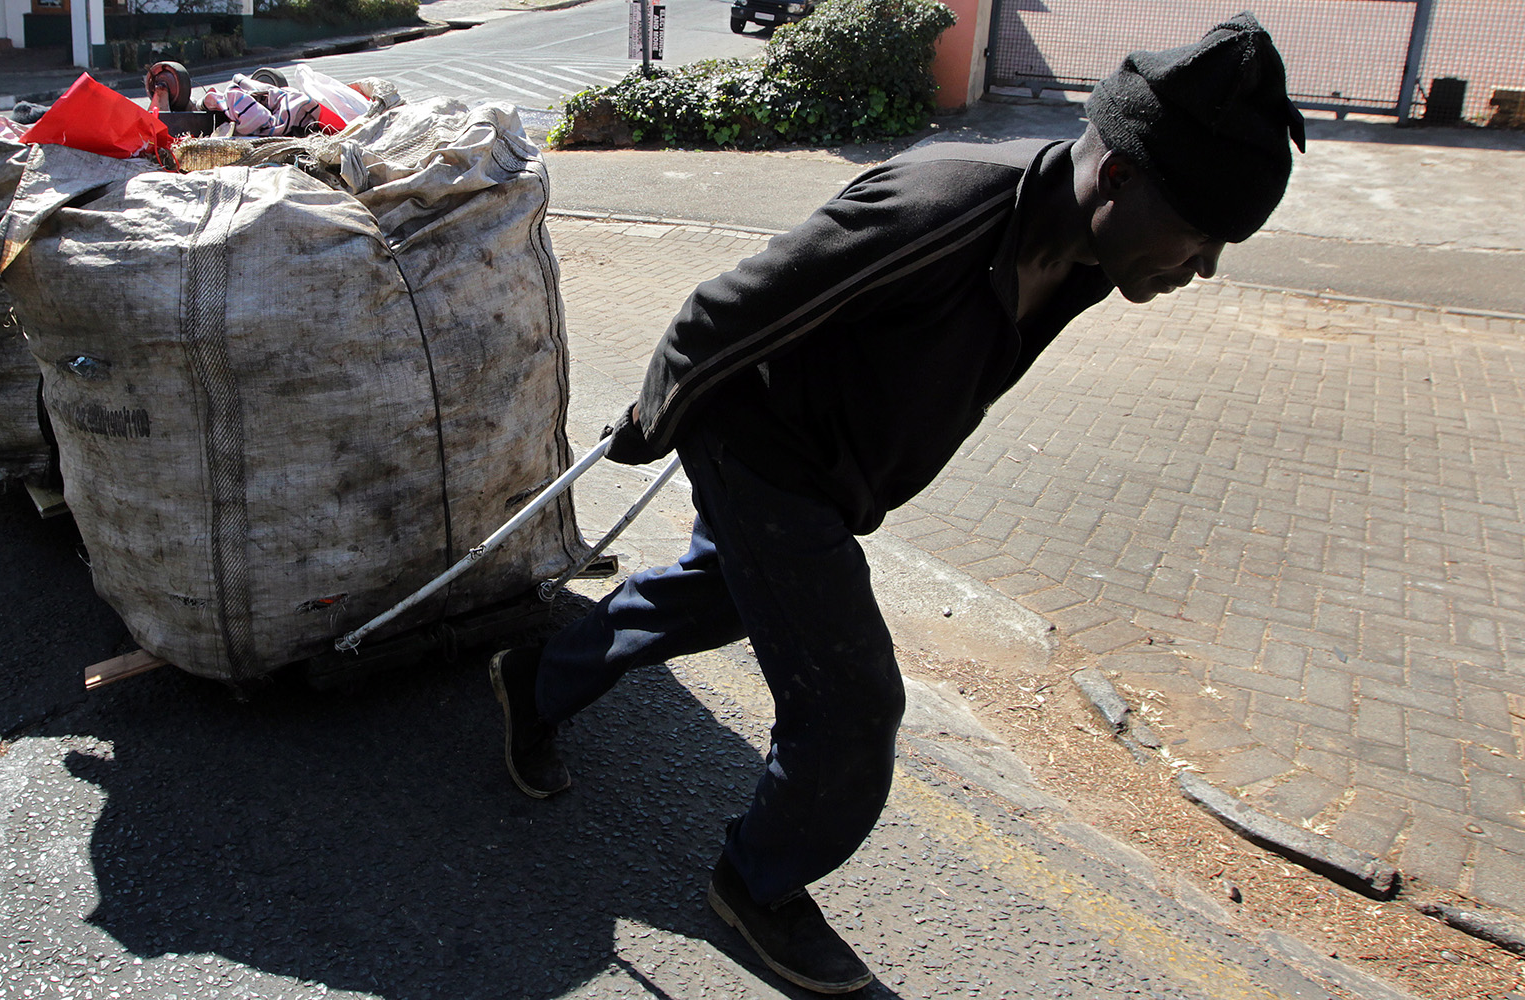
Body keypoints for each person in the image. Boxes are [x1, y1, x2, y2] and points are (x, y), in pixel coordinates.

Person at [489, 12, 1307, 994]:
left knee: (717, 592)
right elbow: (734, 304)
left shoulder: (1090, 255)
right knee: (848, 701)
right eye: (1200, 237)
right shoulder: (946, 207)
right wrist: (659, 412)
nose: (1202, 267)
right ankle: (756, 879)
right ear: (1120, 180)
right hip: (763, 452)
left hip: (826, 476)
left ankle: (532, 677)